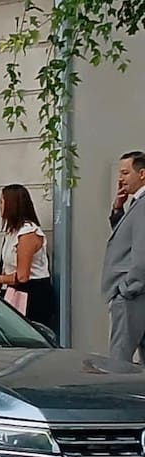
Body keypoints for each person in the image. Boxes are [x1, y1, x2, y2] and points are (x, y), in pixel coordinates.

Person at [0, 184, 54, 330]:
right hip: (15, 292)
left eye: (1, 201)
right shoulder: (12, 232)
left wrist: (0, 279)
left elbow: (22, 276)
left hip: (32, 294)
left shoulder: (27, 233)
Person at [103, 151, 145, 363]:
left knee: (119, 360)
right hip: (134, 293)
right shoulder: (136, 203)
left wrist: (127, 288)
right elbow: (126, 238)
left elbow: (141, 252)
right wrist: (118, 209)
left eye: (126, 173)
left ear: (142, 174)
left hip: (133, 296)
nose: (121, 178)